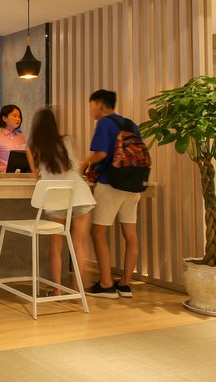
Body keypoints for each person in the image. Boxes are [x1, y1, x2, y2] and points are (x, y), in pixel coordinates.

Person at [26, 108, 95, 296]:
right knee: (79, 245)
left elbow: (36, 177)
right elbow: (76, 167)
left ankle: (57, 291)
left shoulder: (32, 147)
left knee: (56, 247)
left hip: (55, 198)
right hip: (79, 194)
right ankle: (77, 291)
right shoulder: (68, 140)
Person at [80, 89, 140, 299]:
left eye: (91, 106)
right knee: (130, 235)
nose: (90, 110)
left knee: (98, 232)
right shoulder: (130, 124)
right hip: (133, 185)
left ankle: (106, 284)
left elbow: (102, 153)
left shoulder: (104, 122)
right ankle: (124, 284)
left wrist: (84, 163)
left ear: (99, 104)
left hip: (111, 184)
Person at [0, 105, 27, 173]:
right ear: (4, 118)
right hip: (3, 178)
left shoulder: (21, 137)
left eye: (19, 116)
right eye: (15, 116)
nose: (18, 119)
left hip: (22, 177)